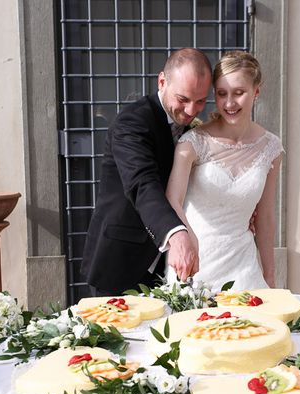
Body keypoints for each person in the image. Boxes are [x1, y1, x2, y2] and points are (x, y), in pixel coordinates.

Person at [81, 48, 212, 296]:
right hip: (122, 262)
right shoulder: (132, 122)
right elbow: (143, 183)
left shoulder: (195, 130)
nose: (192, 110)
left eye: (201, 100)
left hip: (170, 269)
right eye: (183, 99)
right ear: (162, 81)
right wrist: (175, 234)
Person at [165, 51, 284, 291]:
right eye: (222, 94)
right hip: (196, 265)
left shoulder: (272, 148)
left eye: (239, 93)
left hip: (244, 268)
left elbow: (265, 217)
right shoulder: (193, 142)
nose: (229, 103)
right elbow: (173, 199)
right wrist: (187, 242)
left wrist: (269, 275)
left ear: (256, 91)